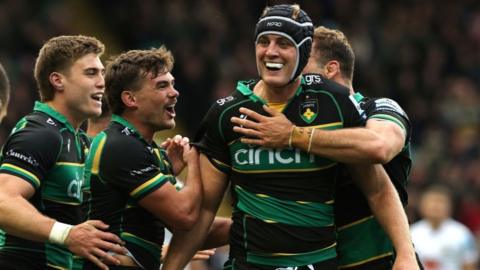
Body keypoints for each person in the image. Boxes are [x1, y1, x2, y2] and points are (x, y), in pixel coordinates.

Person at [163, 4, 417, 270]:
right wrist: (173, 261)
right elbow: (205, 212)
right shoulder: (226, 113)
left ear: (304, 51)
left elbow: (378, 183)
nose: (271, 51)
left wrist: (406, 253)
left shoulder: (337, 105)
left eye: (284, 43)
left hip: (344, 261)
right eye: (263, 41)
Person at [230, 26, 421, 269]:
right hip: (321, 261)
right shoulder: (286, 126)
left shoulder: (379, 108)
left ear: (330, 70)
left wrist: (294, 135)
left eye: (302, 62)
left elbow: (380, 146)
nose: (293, 72)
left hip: (382, 261)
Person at [0, 35, 126, 270]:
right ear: (58, 81)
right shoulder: (42, 133)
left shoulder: (77, 140)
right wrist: (67, 235)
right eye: (91, 73)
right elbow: (3, 201)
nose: (102, 82)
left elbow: (86, 228)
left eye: (101, 73)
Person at [84, 46, 203, 269]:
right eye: (162, 85)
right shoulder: (121, 146)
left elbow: (190, 224)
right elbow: (185, 217)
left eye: (172, 84)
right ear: (131, 99)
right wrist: (194, 162)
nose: (174, 92)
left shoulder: (145, 148)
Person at [411, 184, 478, 270]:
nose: (435, 206)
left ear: (450, 206)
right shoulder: (412, 233)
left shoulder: (462, 234)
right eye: (431, 202)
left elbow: (469, 265)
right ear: (422, 206)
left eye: (440, 202)